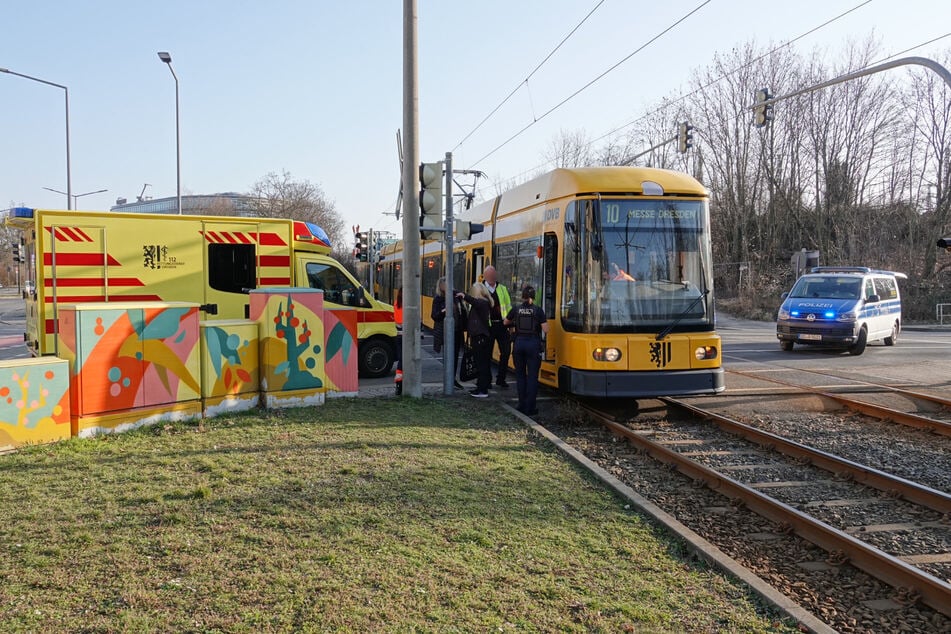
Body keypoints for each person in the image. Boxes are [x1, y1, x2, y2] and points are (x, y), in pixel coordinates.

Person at [504, 285, 549, 415]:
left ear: (522, 296)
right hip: (533, 345)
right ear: (533, 297)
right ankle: (530, 407)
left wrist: (515, 324)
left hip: (518, 344)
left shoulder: (516, 309)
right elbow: (546, 329)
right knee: (532, 377)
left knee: (520, 376)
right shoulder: (538, 310)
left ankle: (521, 404)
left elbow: (506, 322)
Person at [457, 282, 493, 398]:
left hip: (480, 338)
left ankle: (482, 390)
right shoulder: (485, 303)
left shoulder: (482, 303)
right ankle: (482, 387)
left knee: (481, 364)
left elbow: (474, 302)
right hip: (480, 337)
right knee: (482, 364)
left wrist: (464, 296)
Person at [481, 265, 512, 388]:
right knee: (486, 354)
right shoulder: (480, 289)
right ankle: (487, 380)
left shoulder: (502, 288)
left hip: (502, 325)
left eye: (493, 275)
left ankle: (501, 379)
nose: (492, 277)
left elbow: (508, 306)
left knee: (506, 352)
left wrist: (510, 322)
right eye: (489, 275)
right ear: (485, 276)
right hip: (487, 326)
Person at [431, 276, 465, 389]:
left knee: (455, 355)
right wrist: (443, 311)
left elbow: (462, 311)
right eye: (445, 285)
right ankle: (448, 379)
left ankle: (453, 378)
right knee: (448, 355)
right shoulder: (438, 299)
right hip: (444, 332)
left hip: (457, 331)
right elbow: (434, 315)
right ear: (440, 287)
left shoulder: (456, 296)